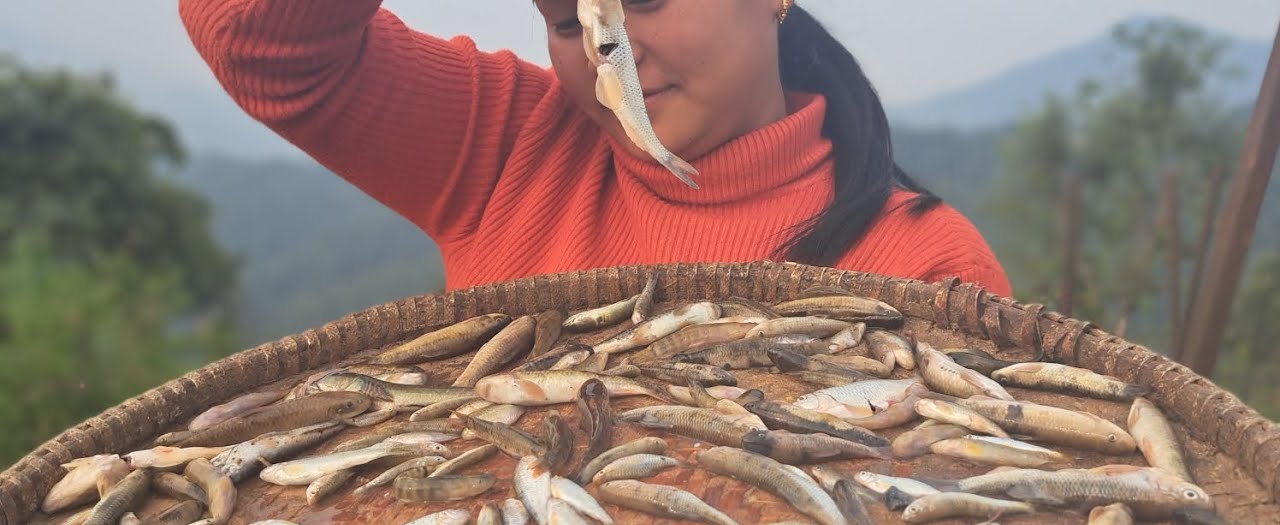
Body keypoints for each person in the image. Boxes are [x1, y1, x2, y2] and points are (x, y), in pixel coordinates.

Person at [179, 0, 1013, 296]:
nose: (606, 51)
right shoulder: (507, 142)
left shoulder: (924, 262)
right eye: (563, 19)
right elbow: (254, 42)